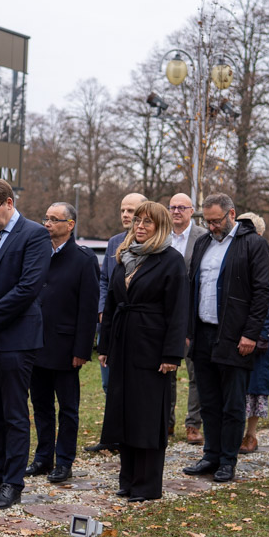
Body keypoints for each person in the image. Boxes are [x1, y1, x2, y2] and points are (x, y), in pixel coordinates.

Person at [99, 202, 189, 502]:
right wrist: (105, 345)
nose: (139, 226)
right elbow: (112, 303)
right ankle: (128, 479)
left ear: (160, 226)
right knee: (125, 411)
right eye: (137, 220)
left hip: (153, 348)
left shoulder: (170, 259)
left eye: (147, 222)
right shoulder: (123, 256)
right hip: (124, 344)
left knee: (148, 415)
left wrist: (171, 355)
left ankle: (147, 484)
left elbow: (178, 311)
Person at [183, 193, 269, 483]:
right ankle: (211, 454)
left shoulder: (253, 244)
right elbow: (192, 287)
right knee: (208, 399)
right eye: (207, 221)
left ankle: (227, 460)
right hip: (203, 333)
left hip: (235, 337)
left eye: (216, 220)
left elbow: (262, 293)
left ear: (232, 214)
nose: (211, 226)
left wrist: (250, 333)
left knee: (232, 402)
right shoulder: (203, 243)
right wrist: (188, 331)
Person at [0, 179, 50, 510]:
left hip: (15, 337)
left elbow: (28, 287)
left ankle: (12, 482)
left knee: (14, 412)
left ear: (8, 203)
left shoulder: (34, 235)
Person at [28, 202, 100, 484]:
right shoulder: (38, 252)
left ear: (70, 224)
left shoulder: (83, 259)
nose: (47, 224)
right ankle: (43, 458)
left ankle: (64, 460)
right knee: (41, 405)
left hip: (66, 347)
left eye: (54, 219)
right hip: (36, 343)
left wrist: (82, 349)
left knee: (67, 408)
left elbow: (88, 307)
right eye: (45, 218)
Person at [85, 192, 146, 454]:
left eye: (131, 211)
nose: (125, 215)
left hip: (137, 325)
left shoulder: (153, 245)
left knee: (133, 385)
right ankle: (111, 435)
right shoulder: (114, 243)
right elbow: (105, 280)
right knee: (109, 383)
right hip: (111, 322)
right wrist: (101, 310)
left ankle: (130, 436)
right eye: (123, 209)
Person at [168, 192, 209, 445]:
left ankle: (193, 424)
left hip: (194, 315)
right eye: (172, 207)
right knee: (166, 371)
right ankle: (166, 422)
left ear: (191, 210)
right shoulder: (161, 236)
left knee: (196, 374)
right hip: (166, 315)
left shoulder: (203, 237)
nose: (176, 212)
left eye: (182, 207)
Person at [236, 212, 269, 454]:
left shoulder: (266, 259)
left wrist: (263, 334)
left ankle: (250, 434)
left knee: (255, 387)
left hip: (258, 333)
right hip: (234, 331)